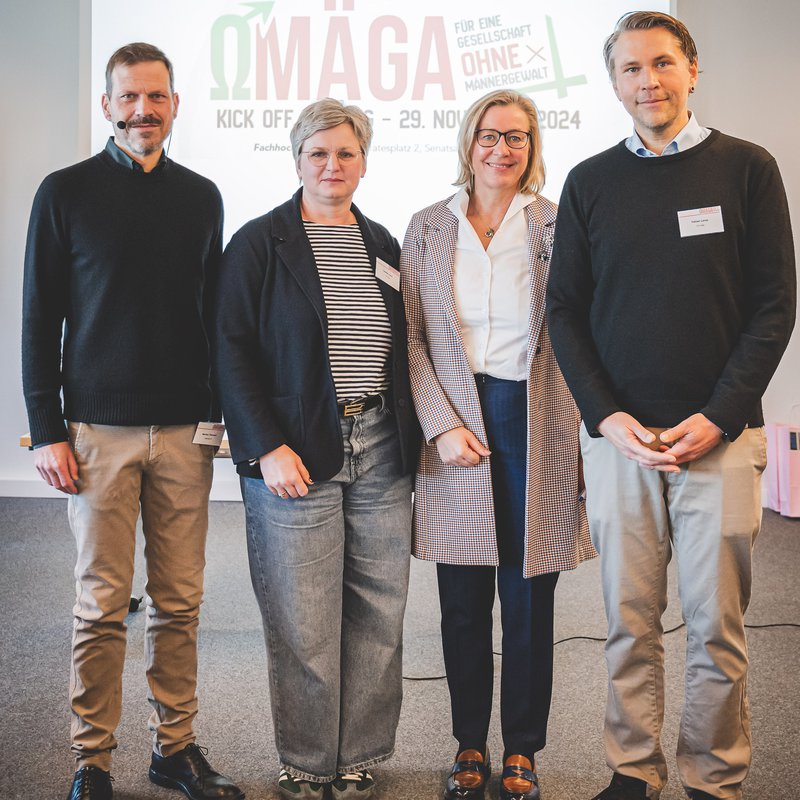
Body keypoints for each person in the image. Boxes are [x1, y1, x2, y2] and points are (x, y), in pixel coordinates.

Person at [546, 12, 796, 800]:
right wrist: (606, 417)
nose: (646, 81)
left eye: (661, 64)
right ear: (614, 81)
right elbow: (565, 313)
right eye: (629, 69)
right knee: (628, 622)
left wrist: (720, 415)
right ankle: (632, 771)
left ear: (691, 68)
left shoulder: (747, 168)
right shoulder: (589, 182)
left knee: (717, 629)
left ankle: (713, 779)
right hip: (622, 443)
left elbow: (774, 305)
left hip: (719, 440)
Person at [21, 43, 242, 800]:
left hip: (185, 433)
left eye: (157, 97)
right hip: (96, 433)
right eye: (129, 98)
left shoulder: (203, 196)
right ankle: (93, 759)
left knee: (180, 603)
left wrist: (219, 415)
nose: (143, 110)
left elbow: (215, 319)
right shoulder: (64, 193)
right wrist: (46, 427)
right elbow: (35, 318)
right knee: (100, 604)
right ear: (108, 105)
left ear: (175, 104)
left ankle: (173, 747)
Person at [213, 98, 419, 800]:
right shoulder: (257, 242)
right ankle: (306, 761)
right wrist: (265, 444)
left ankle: (357, 754)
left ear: (364, 160)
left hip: (382, 446)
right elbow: (230, 349)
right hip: (295, 450)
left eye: (347, 154)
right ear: (297, 159)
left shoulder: (383, 243)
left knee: (378, 609)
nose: (333, 166)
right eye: (318, 154)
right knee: (304, 615)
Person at [400, 89, 593, 800]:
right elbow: (411, 339)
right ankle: (469, 745)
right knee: (461, 600)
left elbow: (575, 326)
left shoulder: (554, 223)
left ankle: (523, 748)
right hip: (454, 423)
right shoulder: (426, 226)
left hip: (532, 418)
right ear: (468, 142)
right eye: (489, 135)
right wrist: (440, 425)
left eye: (516, 137)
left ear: (532, 145)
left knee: (529, 596)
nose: (501, 149)